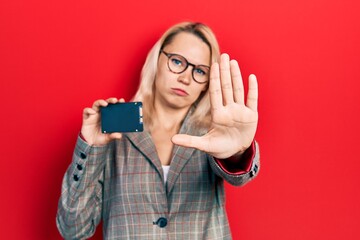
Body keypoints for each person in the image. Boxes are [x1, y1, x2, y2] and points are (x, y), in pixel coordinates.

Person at [56, 22, 260, 239]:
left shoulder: (213, 133)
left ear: (206, 83)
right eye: (177, 61)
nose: (185, 78)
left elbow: (239, 175)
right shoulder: (115, 130)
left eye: (200, 71)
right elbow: (73, 228)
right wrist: (91, 148)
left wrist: (238, 153)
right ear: (157, 60)